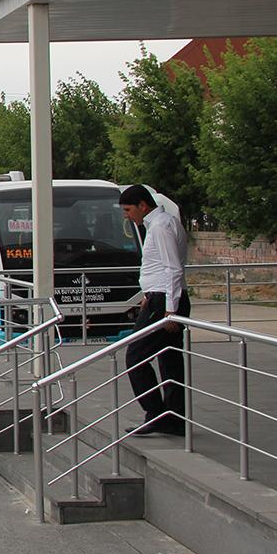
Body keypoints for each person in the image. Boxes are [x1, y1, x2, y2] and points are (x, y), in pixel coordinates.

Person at [120, 185, 190, 436]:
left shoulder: (160, 226)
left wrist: (169, 308)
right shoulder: (162, 223)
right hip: (160, 297)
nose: (127, 216)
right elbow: (160, 267)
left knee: (135, 356)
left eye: (128, 210)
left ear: (142, 205)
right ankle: (174, 418)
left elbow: (173, 268)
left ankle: (156, 414)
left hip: (165, 302)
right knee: (169, 359)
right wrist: (148, 294)